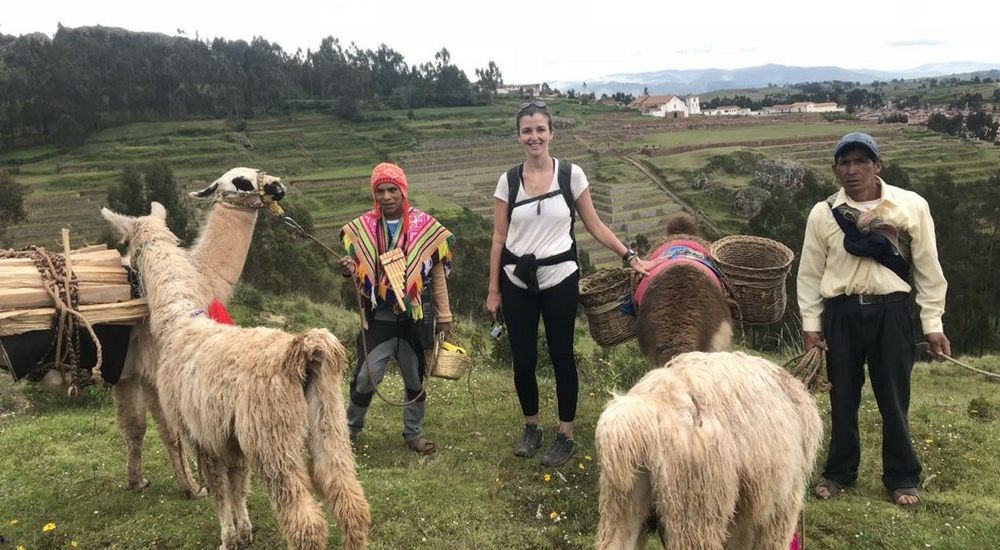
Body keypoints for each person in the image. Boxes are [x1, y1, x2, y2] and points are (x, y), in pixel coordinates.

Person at [486, 100, 659, 467]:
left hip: (560, 278)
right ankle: (531, 426)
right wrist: (493, 290)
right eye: (527, 130)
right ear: (519, 136)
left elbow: (594, 224)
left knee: (563, 355)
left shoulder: (571, 175)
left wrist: (629, 255)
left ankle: (565, 433)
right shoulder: (509, 181)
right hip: (517, 279)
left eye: (540, 129)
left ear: (551, 132)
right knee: (524, 359)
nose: (534, 136)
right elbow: (499, 238)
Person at [797, 132, 951, 506]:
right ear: (835, 170)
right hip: (842, 314)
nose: (852, 170)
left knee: (894, 397)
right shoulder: (824, 213)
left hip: (891, 313)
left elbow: (929, 269)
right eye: (844, 163)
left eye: (861, 162)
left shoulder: (910, 206)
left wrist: (933, 324)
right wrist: (811, 325)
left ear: (877, 166)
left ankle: (902, 476)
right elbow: (810, 274)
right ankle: (838, 473)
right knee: (843, 398)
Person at [339, 162, 455, 455]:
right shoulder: (363, 228)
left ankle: (413, 433)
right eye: (380, 191)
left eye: (393, 190)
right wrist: (350, 269)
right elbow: (361, 270)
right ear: (374, 194)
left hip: (414, 319)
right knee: (366, 376)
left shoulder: (425, 227)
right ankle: (348, 430)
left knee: (415, 378)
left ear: (403, 191)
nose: (387, 196)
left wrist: (444, 318)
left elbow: (437, 276)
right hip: (380, 318)